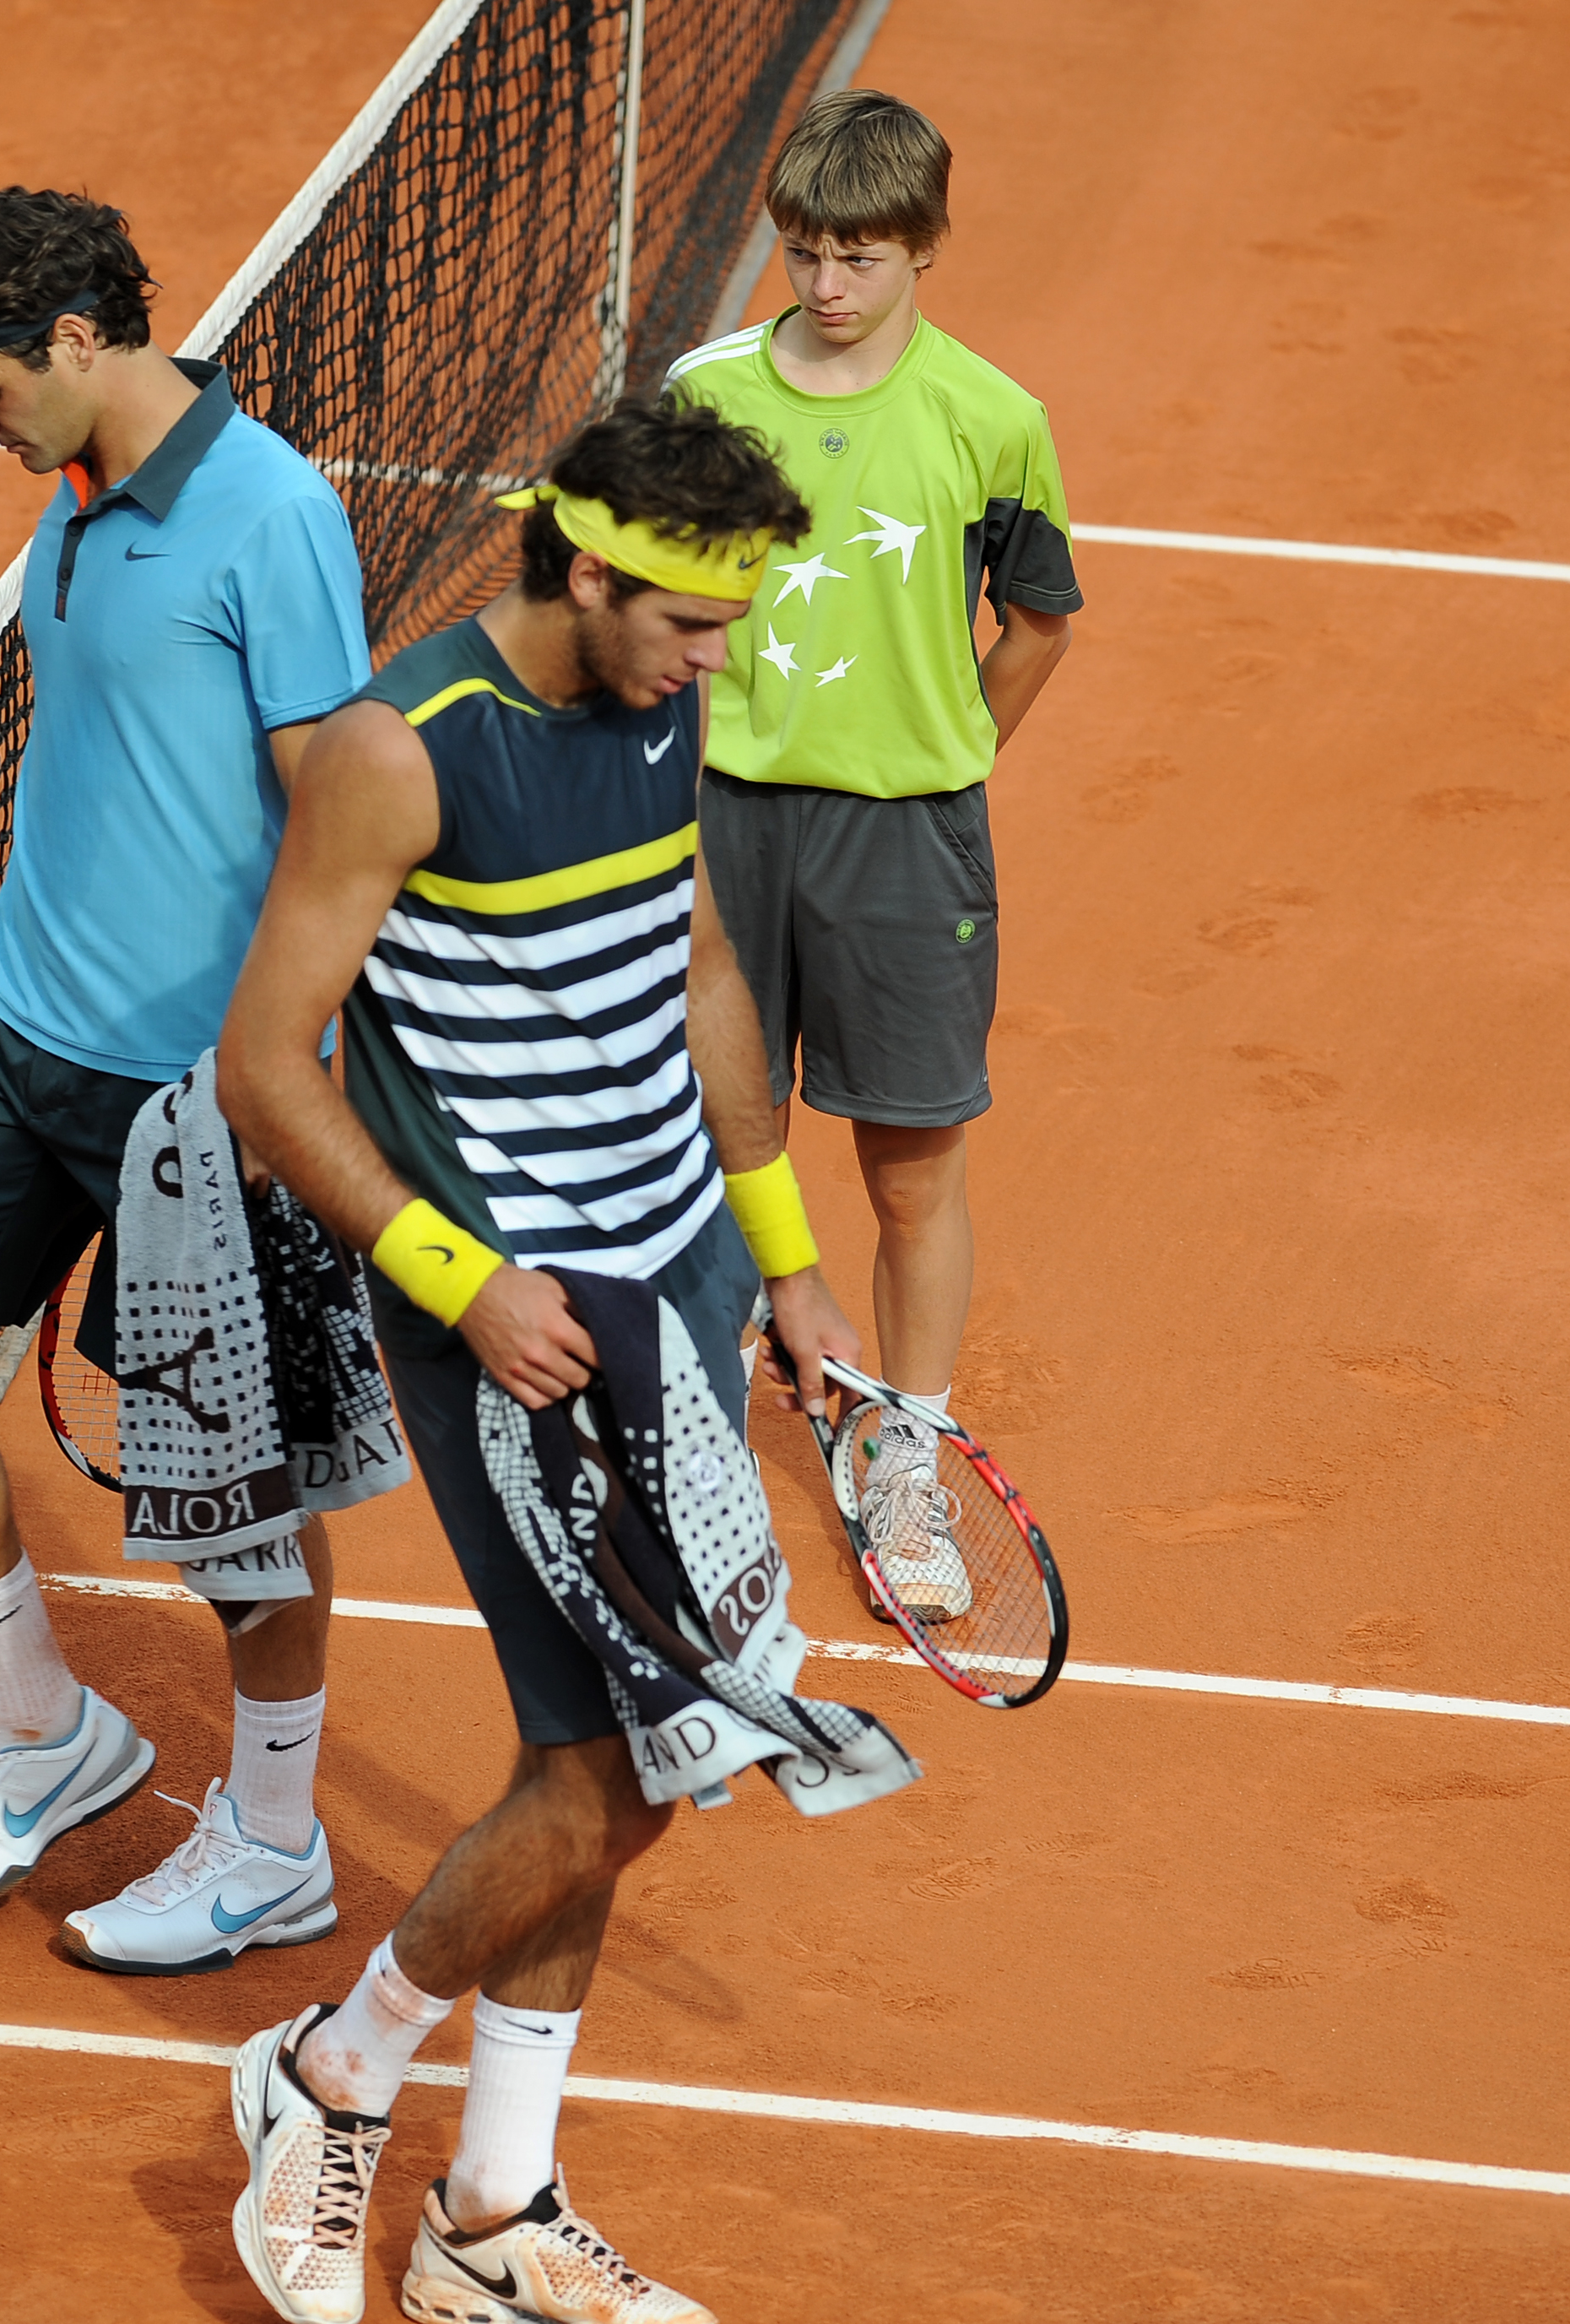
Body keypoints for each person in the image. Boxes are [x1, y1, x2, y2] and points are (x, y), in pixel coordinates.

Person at [213, 399, 864, 2324]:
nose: (713, 659)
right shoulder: (397, 753)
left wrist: (786, 1259)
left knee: (616, 1760)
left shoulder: (662, 705)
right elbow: (266, 1068)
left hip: (673, 1295)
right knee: (611, 1774)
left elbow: (700, 971)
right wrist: (459, 1278)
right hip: (515, 1325)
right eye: (687, 620)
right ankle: (329, 2076)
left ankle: (489, 2211)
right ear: (588, 571)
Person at [0, 189, 377, 1970]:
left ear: (75, 338)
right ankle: (43, 1731)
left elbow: (338, 821)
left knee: (230, 1495)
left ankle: (274, 1843)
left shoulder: (268, 516)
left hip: (192, 1097)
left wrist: (277, 1076)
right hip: (7, 1026)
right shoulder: (73, 497)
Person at [663, 89, 1078, 1617]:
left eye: (858, 256)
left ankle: (906, 1443)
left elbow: (1037, 620)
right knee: (708, 1143)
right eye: (802, 253)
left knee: (910, 1168)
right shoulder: (704, 391)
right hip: (719, 826)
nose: (825, 285)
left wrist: (946, 750)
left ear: (923, 249)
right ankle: (700, 1455)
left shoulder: (990, 417)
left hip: (905, 839)